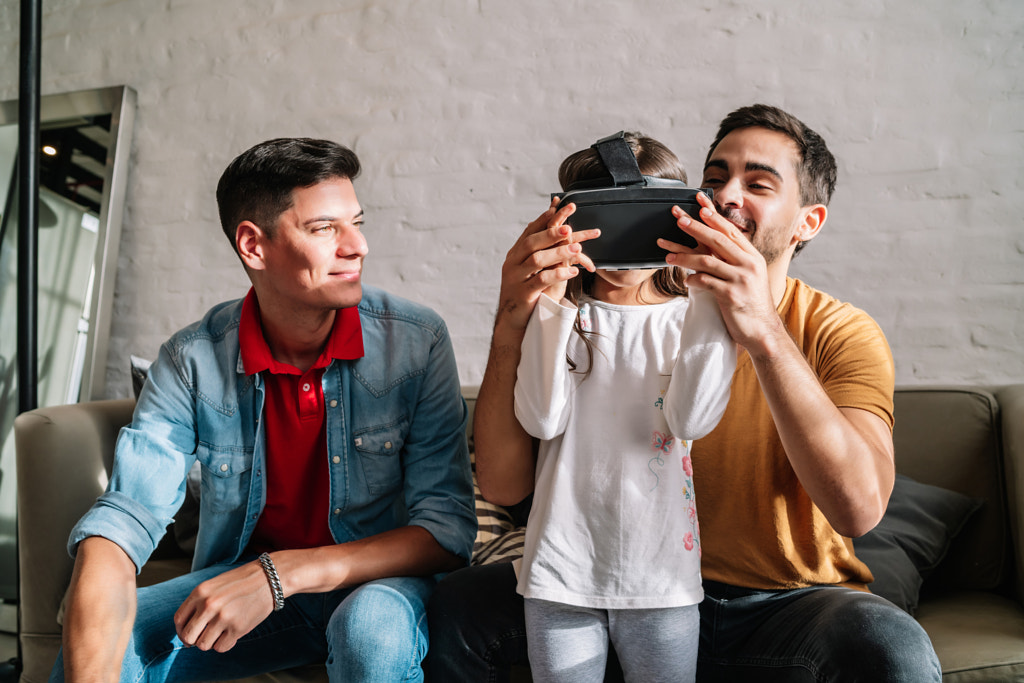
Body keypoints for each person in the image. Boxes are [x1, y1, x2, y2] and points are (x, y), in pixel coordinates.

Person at [425, 106, 943, 682]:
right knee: (457, 605)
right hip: (617, 575)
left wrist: (762, 330)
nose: (725, 197)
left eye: (759, 184)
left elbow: (859, 509)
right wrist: (514, 317)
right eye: (714, 178)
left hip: (781, 604)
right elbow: (502, 486)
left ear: (808, 222)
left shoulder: (837, 330)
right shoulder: (604, 316)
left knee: (889, 644)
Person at [53, 137, 477, 683]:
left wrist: (279, 573)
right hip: (251, 586)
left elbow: (445, 533)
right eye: (325, 228)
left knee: (369, 632)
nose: (358, 246)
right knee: (106, 646)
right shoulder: (192, 360)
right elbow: (124, 520)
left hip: (378, 585)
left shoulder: (416, 343)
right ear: (254, 246)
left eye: (357, 222)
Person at [513, 133, 736, 682]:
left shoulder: (694, 317)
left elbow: (691, 421)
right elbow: (541, 419)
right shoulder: (560, 315)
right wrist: (552, 300)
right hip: (560, 570)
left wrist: (706, 291)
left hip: (662, 574)